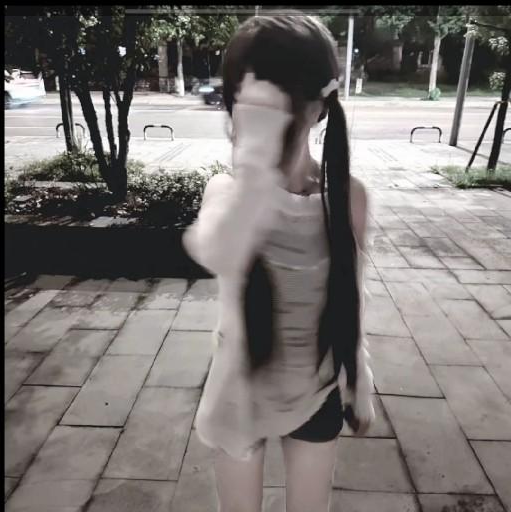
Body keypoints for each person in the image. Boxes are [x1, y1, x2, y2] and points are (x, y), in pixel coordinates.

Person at [182, 11, 375, 512]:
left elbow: (350, 294)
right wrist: (255, 170)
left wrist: (359, 376)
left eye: (276, 104)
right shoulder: (229, 193)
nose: (257, 120)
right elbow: (214, 251)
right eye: (244, 104)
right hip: (238, 392)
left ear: (318, 108)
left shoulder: (347, 197)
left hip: (317, 387)